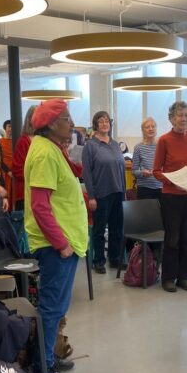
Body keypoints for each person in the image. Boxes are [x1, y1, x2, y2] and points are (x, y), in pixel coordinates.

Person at [24, 99, 88, 373]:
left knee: (57, 308)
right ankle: (43, 369)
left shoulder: (53, 150)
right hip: (56, 246)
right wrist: (61, 244)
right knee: (51, 309)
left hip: (66, 243)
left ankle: (47, 357)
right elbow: (40, 206)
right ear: (50, 124)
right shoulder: (46, 155)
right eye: (66, 117)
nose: (72, 122)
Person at [153, 100, 187, 293]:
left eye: (186, 116)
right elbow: (156, 171)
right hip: (171, 196)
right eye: (179, 115)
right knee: (172, 238)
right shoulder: (164, 140)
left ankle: (184, 277)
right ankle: (168, 278)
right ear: (171, 118)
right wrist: (173, 180)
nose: (183, 119)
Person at [82, 111, 125, 274]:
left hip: (118, 191)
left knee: (117, 228)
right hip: (101, 193)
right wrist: (91, 196)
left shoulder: (115, 144)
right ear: (95, 125)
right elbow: (87, 173)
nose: (105, 124)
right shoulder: (90, 146)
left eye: (107, 121)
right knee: (99, 230)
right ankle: (98, 260)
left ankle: (115, 259)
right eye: (101, 121)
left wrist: (124, 193)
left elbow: (121, 168)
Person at [11, 106, 37, 211]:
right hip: (26, 194)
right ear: (30, 119)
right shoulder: (24, 141)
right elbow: (17, 169)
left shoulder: (45, 140)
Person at [132, 117, 163, 200]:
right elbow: (134, 171)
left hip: (161, 188)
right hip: (144, 189)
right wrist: (142, 173)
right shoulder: (138, 147)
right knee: (145, 213)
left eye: (153, 126)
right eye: (147, 127)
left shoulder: (161, 146)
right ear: (143, 130)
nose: (150, 129)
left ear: (156, 129)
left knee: (162, 213)